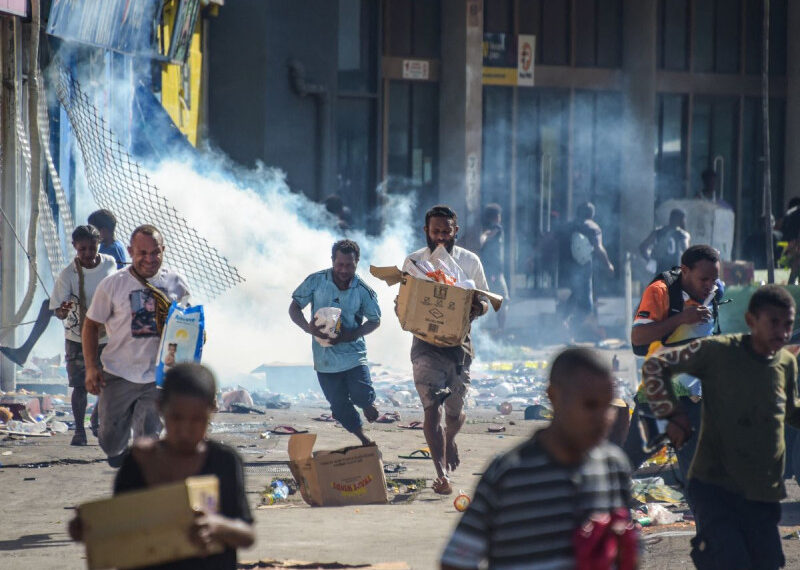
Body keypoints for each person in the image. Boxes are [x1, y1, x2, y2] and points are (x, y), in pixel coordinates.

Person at [643, 285, 800, 570]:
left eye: (788, 324)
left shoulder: (785, 362)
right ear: (752, 320)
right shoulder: (719, 351)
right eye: (773, 322)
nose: (782, 332)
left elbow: (789, 412)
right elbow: (656, 365)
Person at [440, 348, 635, 570]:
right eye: (590, 405)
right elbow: (456, 560)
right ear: (554, 396)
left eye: (607, 406)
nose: (602, 419)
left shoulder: (613, 468)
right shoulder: (509, 473)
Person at [69, 363, 255, 569]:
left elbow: (247, 535)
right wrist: (90, 528)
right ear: (160, 408)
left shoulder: (224, 461)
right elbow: (120, 526)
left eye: (197, 420)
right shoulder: (139, 461)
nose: (185, 430)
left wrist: (218, 526)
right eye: (176, 418)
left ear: (212, 411)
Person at [83, 224, 190, 467]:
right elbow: (90, 326)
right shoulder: (113, 285)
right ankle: (117, 447)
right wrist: (91, 368)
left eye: (155, 253)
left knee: (147, 440)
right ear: (131, 251)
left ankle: (142, 483)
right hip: (118, 374)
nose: (150, 259)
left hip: (157, 378)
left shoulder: (176, 283)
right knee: (110, 441)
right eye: (142, 253)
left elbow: (186, 326)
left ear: (163, 251)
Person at [403, 205, 490, 495]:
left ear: (456, 231)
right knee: (432, 410)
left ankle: (450, 439)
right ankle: (441, 475)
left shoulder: (470, 261)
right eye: (435, 231)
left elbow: (485, 301)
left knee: (455, 413)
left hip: (459, 347)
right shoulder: (414, 262)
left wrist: (474, 307)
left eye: (446, 231)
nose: (440, 237)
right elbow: (404, 303)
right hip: (425, 346)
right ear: (426, 231)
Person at [624, 245, 721, 505]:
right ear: (685, 271)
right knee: (628, 460)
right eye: (704, 279)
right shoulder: (660, 291)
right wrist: (682, 319)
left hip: (694, 398)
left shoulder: (716, 292)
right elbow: (638, 337)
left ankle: (708, 529)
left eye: (714, 279)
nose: (710, 285)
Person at [289, 239, 381, 446]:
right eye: (339, 264)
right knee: (339, 407)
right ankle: (364, 439)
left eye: (349, 265)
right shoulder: (316, 281)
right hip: (325, 358)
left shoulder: (363, 290)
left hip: (353, 353)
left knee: (361, 394)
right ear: (332, 261)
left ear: (357, 263)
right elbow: (294, 308)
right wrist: (308, 328)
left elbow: (375, 320)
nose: (343, 270)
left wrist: (351, 334)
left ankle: (367, 403)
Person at [50, 225, 117, 446]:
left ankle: (96, 419)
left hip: (107, 335)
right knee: (80, 385)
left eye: (92, 248)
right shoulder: (68, 275)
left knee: (109, 381)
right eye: (82, 249)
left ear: (99, 245)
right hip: (77, 337)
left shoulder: (110, 264)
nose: (88, 254)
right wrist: (64, 309)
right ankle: (79, 430)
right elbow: (58, 312)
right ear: (75, 248)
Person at [560, 201, 614, 341]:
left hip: (566, 267)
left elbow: (552, 239)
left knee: (575, 295)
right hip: (583, 269)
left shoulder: (569, 226)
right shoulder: (592, 227)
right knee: (587, 307)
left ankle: (563, 321)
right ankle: (569, 330)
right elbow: (598, 247)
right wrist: (608, 264)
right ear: (591, 214)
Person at [479, 203, 509, 333]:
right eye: (499, 215)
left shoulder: (490, 228)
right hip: (493, 272)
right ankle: (500, 330)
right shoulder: (496, 228)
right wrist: (484, 236)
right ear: (496, 217)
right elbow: (484, 238)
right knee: (503, 300)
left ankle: (497, 329)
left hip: (494, 271)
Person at [639, 208, 691, 275]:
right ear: (680, 219)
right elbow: (687, 252)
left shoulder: (658, 232)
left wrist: (650, 261)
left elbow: (643, 247)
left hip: (660, 270)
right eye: (684, 219)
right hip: (675, 271)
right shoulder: (682, 235)